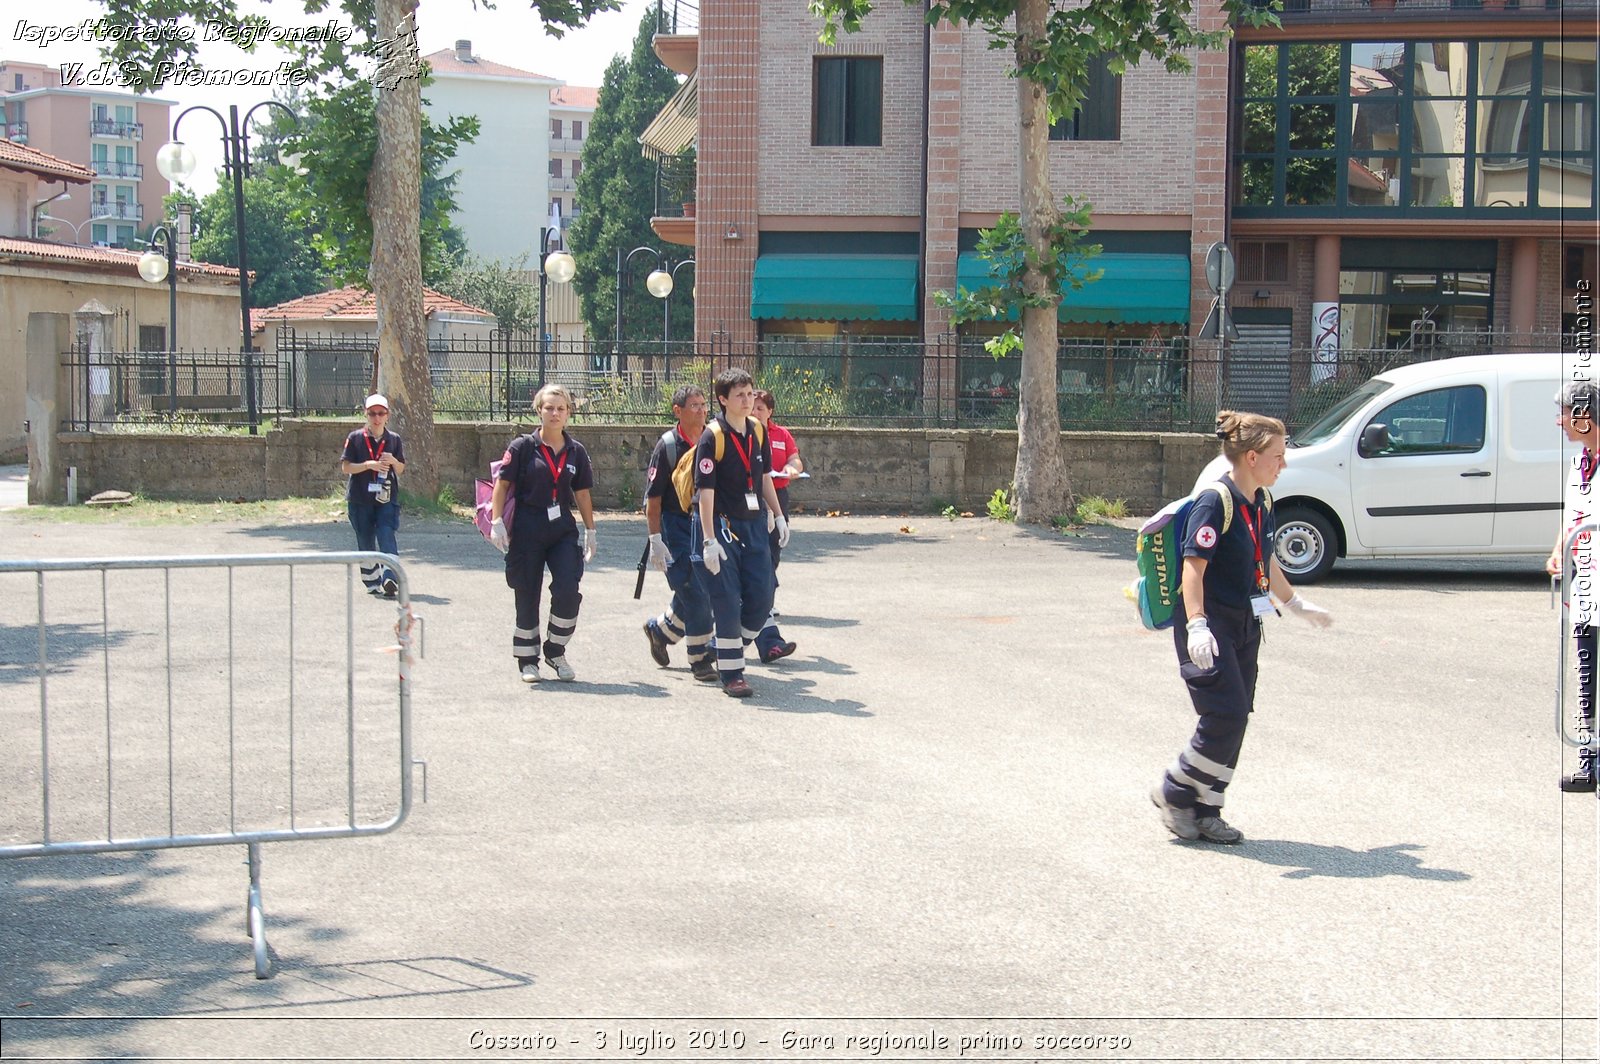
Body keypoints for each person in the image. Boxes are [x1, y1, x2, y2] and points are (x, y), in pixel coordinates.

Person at [1150, 410, 1333, 843]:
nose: (1283, 463)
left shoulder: (1262, 502)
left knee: (1238, 716)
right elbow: (1193, 570)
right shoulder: (1216, 502)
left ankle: (1207, 809)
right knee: (1225, 713)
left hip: (1246, 624)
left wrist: (1295, 602)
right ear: (1252, 457)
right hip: (1210, 628)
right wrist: (1196, 625)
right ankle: (1174, 791)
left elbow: (1265, 556)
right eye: (1277, 455)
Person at [489, 384, 597, 684]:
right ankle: (527, 659)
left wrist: (590, 530)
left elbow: (583, 493)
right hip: (527, 525)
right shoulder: (522, 447)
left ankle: (555, 649)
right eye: (549, 407)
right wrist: (497, 520)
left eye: (560, 408)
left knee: (567, 588)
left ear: (568, 413)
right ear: (539, 410)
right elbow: (502, 485)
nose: (555, 413)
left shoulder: (576, 451)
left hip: (561, 527)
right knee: (527, 592)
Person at [694, 368, 788, 698]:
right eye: (740, 395)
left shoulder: (758, 431)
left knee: (762, 595)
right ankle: (733, 673)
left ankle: (722, 646)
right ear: (723, 400)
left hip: (753, 523)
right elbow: (705, 491)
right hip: (721, 524)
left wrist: (777, 515)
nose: (747, 400)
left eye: (750, 393)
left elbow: (762, 477)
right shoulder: (713, 436)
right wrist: (708, 540)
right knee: (727, 599)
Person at [642, 385, 718, 683]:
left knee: (704, 586)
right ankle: (699, 659)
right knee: (694, 590)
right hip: (676, 525)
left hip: (705, 522)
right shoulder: (669, 445)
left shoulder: (712, 440)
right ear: (678, 411)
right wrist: (655, 539)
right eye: (694, 405)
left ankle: (659, 630)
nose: (701, 410)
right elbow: (654, 498)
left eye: (703, 405)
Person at [1548, 380, 1598, 793]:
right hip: (1586, 580)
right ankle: (1588, 759)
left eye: (1564, 413)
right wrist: (1558, 549)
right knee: (1586, 674)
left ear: (1584, 417)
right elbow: (1573, 515)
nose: (1559, 421)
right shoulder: (1578, 462)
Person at [751, 389, 801, 663]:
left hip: (773, 497)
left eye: (760, 407)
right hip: (743, 506)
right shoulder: (727, 435)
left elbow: (786, 464)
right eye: (750, 404)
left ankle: (770, 642)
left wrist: (777, 514)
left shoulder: (779, 435)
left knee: (767, 562)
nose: (754, 410)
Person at [340, 393, 406, 597]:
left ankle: (390, 578)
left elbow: (401, 468)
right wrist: (369, 465)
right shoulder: (355, 438)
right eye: (372, 414)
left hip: (386, 497)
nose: (377, 418)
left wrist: (393, 461)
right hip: (360, 499)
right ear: (366, 415)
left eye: (381, 413)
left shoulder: (394, 439)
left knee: (386, 533)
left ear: (387, 415)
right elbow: (346, 467)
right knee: (365, 539)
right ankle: (372, 581)